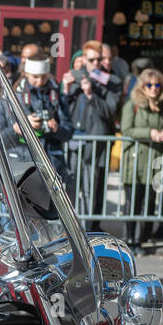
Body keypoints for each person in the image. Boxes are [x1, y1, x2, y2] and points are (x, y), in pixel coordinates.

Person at [61, 39, 122, 219]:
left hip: (93, 143)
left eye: (98, 60)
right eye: (91, 60)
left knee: (89, 190)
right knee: (69, 189)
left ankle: (87, 235)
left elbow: (110, 112)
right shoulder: (75, 77)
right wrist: (65, 89)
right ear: (84, 60)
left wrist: (90, 95)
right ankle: (68, 231)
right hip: (72, 141)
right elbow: (62, 110)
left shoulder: (112, 82)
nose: (96, 64)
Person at [120, 67, 163, 251]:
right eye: (149, 85)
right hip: (135, 160)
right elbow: (127, 130)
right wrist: (149, 133)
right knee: (133, 201)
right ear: (142, 86)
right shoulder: (132, 104)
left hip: (155, 159)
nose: (153, 88)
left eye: (157, 85)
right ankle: (130, 240)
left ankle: (142, 239)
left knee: (150, 202)